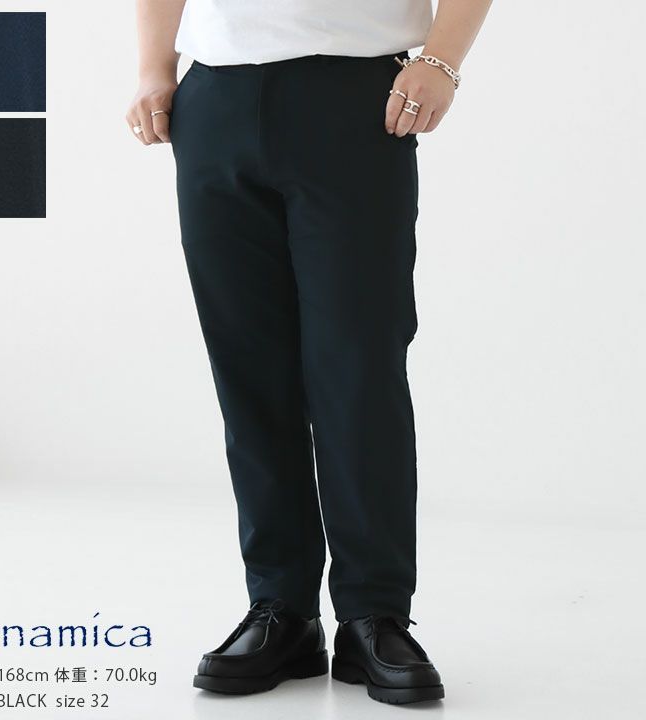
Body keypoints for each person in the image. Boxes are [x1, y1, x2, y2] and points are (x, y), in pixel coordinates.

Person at [127, 0, 492, 705]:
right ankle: (281, 610)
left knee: (358, 369)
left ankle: (373, 614)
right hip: (215, 96)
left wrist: (442, 60)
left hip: (357, 97)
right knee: (249, 371)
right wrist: (153, 66)